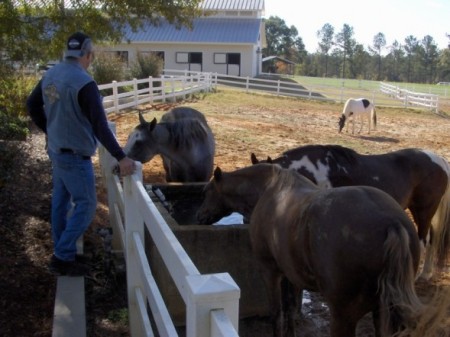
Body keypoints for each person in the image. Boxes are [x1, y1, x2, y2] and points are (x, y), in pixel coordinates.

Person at [26, 32, 136, 276]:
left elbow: (32, 105)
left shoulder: (50, 74)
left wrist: (50, 130)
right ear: (88, 55)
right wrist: (121, 156)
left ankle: (62, 251)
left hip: (56, 150)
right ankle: (62, 255)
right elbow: (100, 126)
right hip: (75, 156)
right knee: (87, 205)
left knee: (61, 200)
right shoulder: (84, 83)